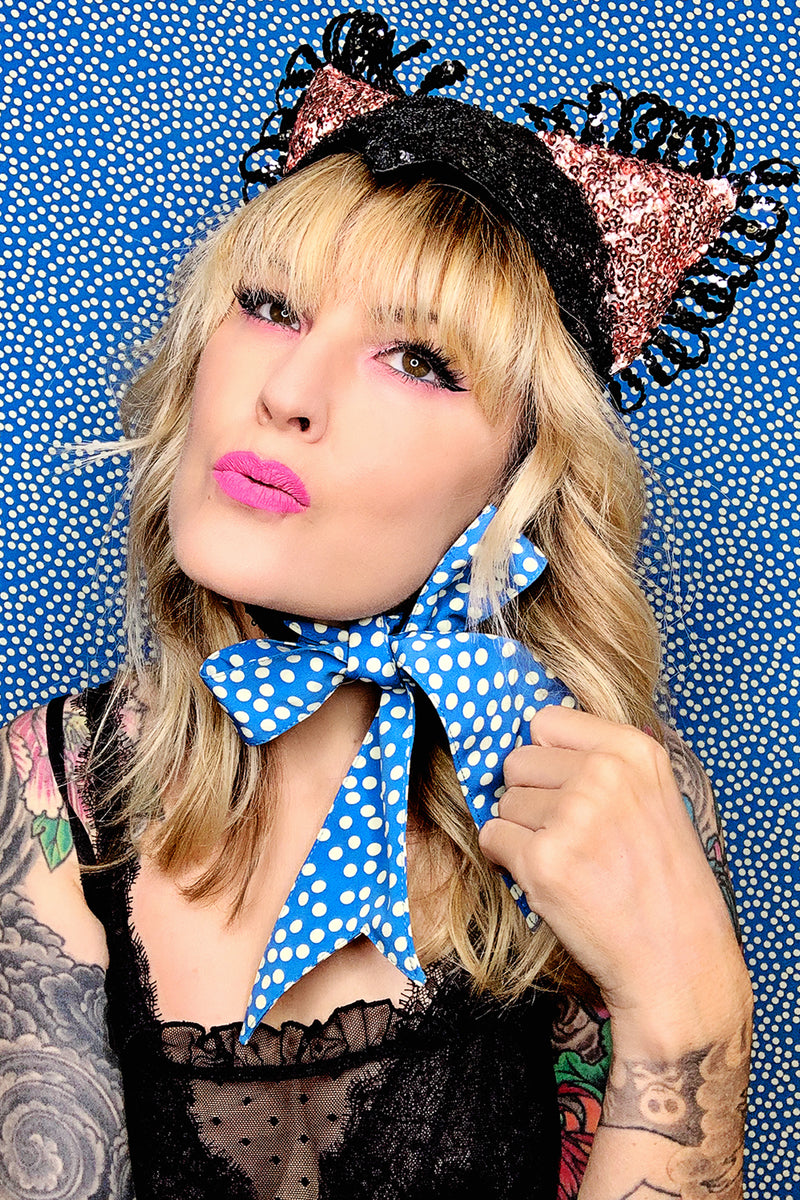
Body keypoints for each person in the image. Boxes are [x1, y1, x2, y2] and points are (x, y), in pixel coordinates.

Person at [1, 11, 793, 1199]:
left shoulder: (618, 800)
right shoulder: (45, 790)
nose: (288, 391)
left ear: (519, 482)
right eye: (270, 306)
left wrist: (692, 1017)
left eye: (418, 360)